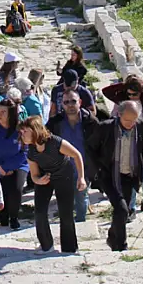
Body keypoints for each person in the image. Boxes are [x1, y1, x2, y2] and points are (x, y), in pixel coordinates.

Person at [86, 100, 143, 252]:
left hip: (130, 174)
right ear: (119, 115)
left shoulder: (141, 126)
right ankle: (121, 246)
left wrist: (142, 162)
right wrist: (97, 170)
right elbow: (90, 148)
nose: (131, 124)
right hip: (110, 175)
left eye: (134, 120)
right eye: (127, 120)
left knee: (123, 211)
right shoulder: (105, 128)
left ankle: (112, 236)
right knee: (121, 210)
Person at [19, 115, 87, 254]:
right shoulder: (31, 151)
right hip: (46, 177)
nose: (22, 135)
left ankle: (69, 248)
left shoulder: (55, 142)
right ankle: (46, 245)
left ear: (35, 130)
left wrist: (81, 178)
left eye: (25, 131)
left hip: (64, 175)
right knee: (39, 211)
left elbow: (76, 155)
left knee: (65, 212)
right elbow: (34, 174)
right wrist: (39, 180)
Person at [101, 76, 143, 211]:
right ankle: (130, 206)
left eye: (135, 94)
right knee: (131, 174)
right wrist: (125, 85)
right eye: (129, 94)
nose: (132, 97)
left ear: (141, 92)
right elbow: (106, 91)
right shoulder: (123, 100)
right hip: (126, 139)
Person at [46, 88, 100, 222]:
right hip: (63, 169)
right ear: (62, 104)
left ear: (80, 102)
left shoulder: (90, 121)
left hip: (83, 168)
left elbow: (100, 144)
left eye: (73, 101)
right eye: (66, 102)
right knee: (65, 200)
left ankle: (81, 222)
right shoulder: (55, 123)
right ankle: (68, 223)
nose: (70, 105)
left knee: (81, 198)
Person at [0, 99, 28, 230]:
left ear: (11, 114)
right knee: (1, 190)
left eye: (3, 112)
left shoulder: (20, 128)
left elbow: (25, 151)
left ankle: (14, 217)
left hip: (18, 164)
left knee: (15, 188)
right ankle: (3, 218)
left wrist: (8, 167)